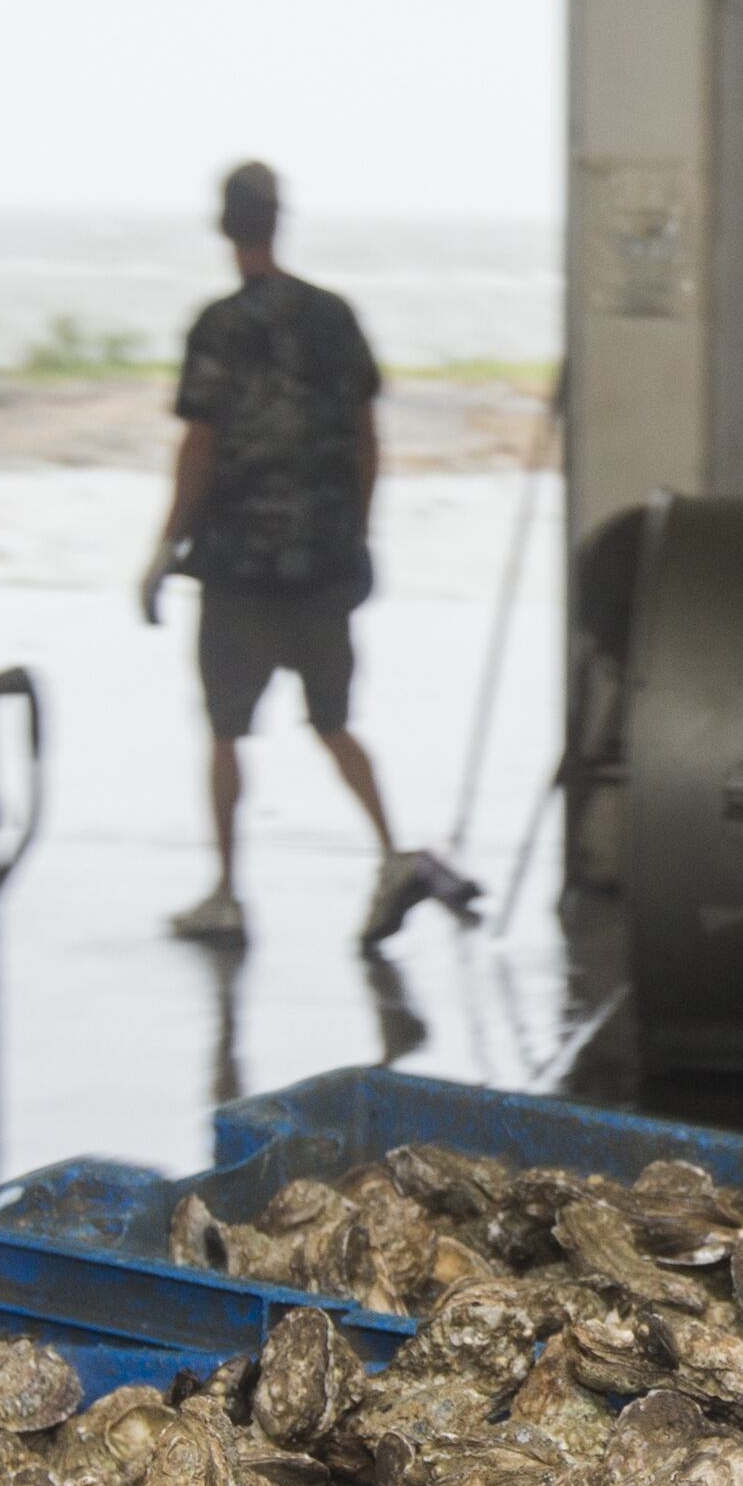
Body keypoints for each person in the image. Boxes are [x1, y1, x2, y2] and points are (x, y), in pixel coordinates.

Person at [140, 159, 478, 946]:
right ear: (279, 221)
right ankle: (392, 853)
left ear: (226, 228)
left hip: (239, 569)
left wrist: (164, 546)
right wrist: (359, 536)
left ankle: (225, 892)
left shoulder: (218, 326)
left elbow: (201, 444)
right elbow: (366, 440)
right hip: (323, 565)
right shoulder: (336, 318)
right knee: (333, 721)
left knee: (226, 731)